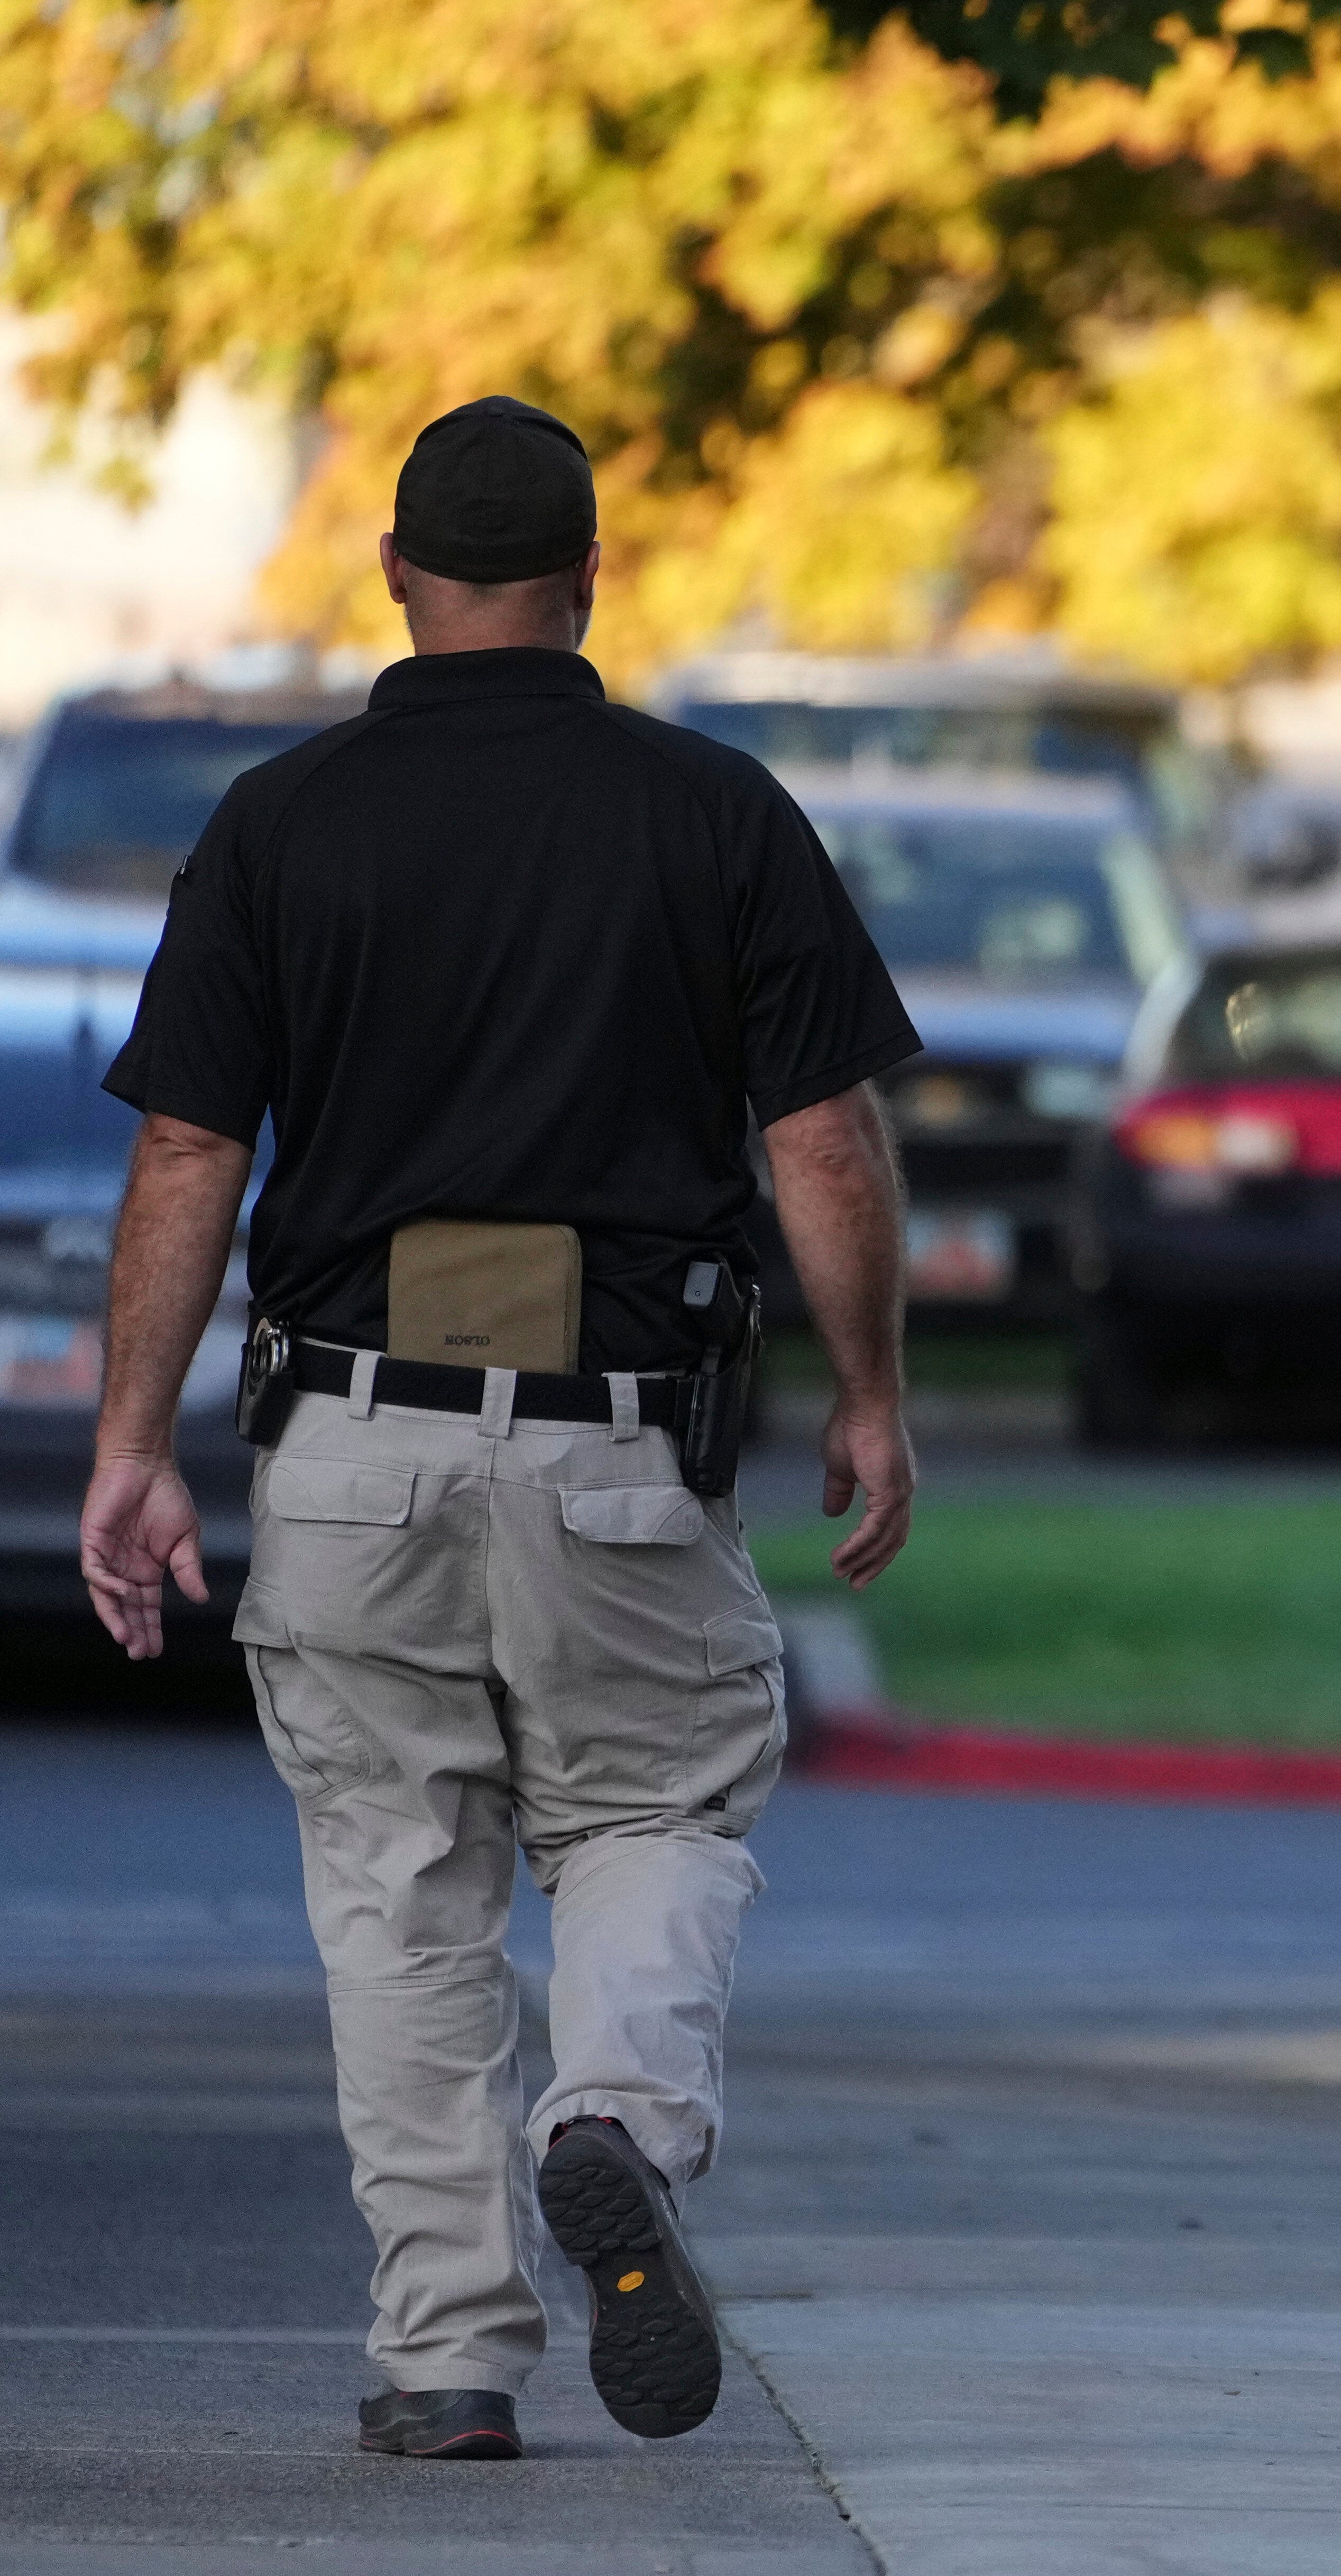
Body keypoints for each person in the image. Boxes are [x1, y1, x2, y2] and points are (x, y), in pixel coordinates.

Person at [78, 395, 923, 2464]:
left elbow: (190, 1146)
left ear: (393, 573)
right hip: (624, 1435)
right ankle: (618, 2116)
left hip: (351, 1437)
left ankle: (449, 2342)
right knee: (651, 1810)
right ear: (591, 576)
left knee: (398, 1879)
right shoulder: (716, 812)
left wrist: (130, 1440)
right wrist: (879, 1392)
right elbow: (823, 1132)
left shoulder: (281, 822)